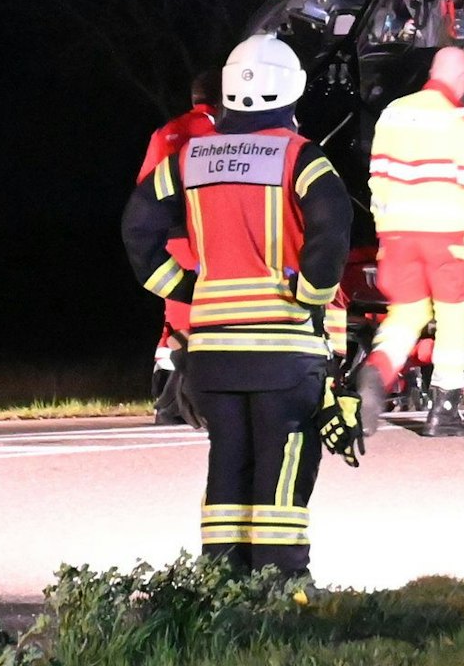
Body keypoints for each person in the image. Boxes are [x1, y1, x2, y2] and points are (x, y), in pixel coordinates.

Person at [121, 34, 356, 578]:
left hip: (212, 351)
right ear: (290, 92)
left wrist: (182, 287)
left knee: (227, 463)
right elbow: (331, 229)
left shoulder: (189, 157)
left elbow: (138, 227)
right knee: (283, 461)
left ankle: (222, 582)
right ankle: (282, 583)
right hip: (282, 349)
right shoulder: (301, 156)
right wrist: (312, 296)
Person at [359, 47, 464, 437]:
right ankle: (446, 406)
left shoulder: (393, 113)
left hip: (398, 234)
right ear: (463, 78)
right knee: (453, 317)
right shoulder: (463, 121)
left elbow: (378, 179)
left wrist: (386, 228)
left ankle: (377, 370)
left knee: (406, 313)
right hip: (446, 236)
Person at [138, 73, 219, 425]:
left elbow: (147, 188)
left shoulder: (166, 132)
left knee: (177, 317)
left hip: (171, 234)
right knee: (212, 311)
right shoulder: (222, 134)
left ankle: (170, 401)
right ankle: (185, 401)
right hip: (206, 231)